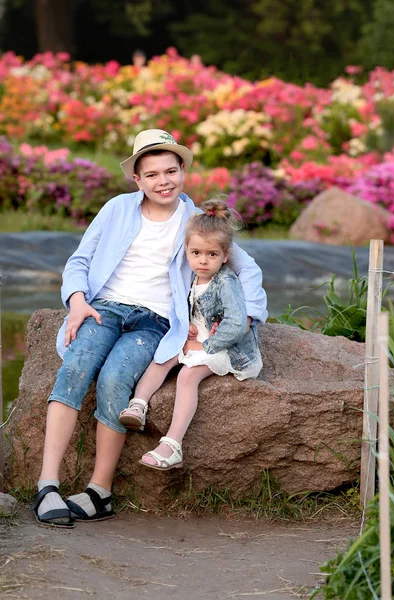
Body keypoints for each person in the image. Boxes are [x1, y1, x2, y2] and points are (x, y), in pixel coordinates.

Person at [30, 129, 268, 528]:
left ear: (182, 173)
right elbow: (80, 261)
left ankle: (98, 492)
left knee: (115, 379)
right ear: (137, 179)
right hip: (103, 308)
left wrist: (247, 317)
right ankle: (47, 484)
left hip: (155, 320)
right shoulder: (117, 209)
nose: (163, 181)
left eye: (171, 171)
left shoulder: (196, 221)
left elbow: (247, 267)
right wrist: (76, 303)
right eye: (153, 174)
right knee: (75, 368)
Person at [119, 198, 263, 470]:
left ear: (225, 255)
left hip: (226, 347)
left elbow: (234, 325)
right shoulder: (190, 276)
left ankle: (172, 445)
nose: (203, 261)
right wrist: (190, 327)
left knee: (187, 375)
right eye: (196, 253)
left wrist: (205, 344)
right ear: (186, 251)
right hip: (200, 336)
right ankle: (138, 405)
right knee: (163, 357)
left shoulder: (227, 282)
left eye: (212, 255)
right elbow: (191, 306)